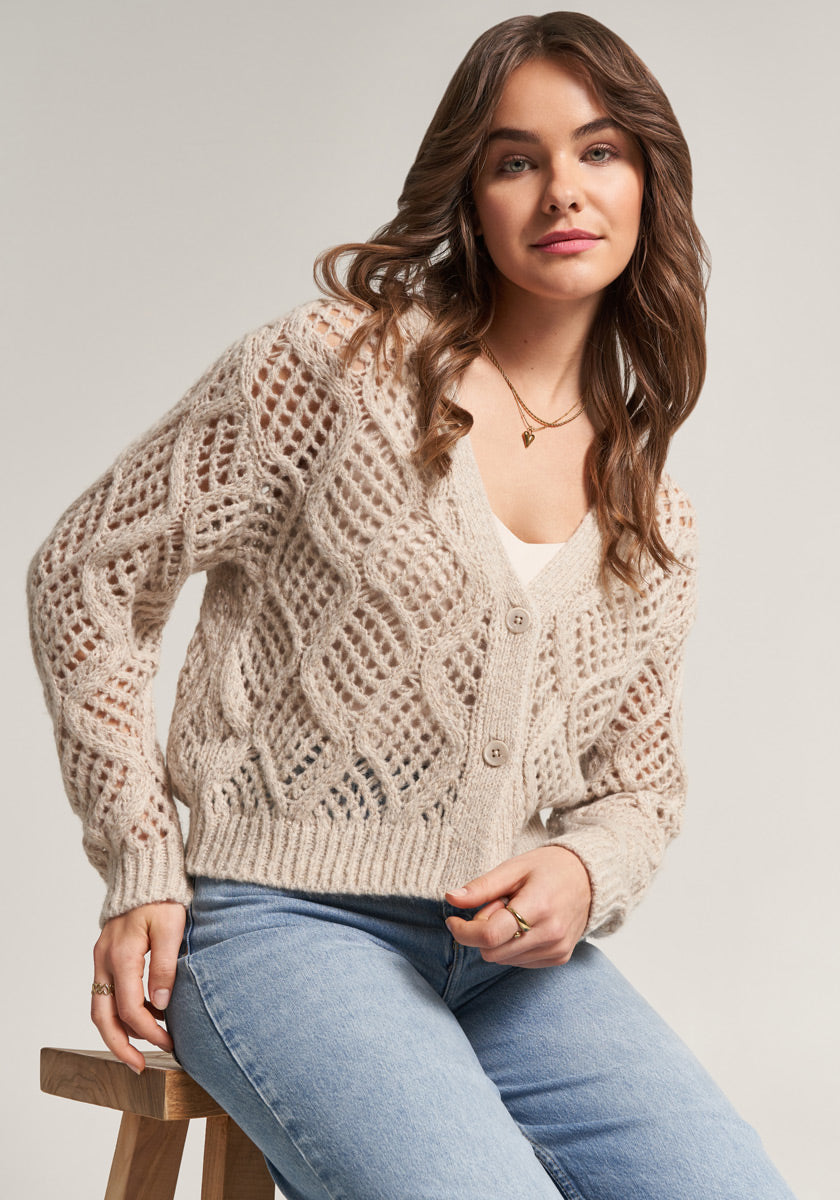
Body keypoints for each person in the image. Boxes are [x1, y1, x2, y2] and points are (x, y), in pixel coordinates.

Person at [27, 11, 796, 1199]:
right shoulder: (333, 369)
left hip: (504, 965)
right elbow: (85, 571)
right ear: (470, 195)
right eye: (515, 160)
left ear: (649, 183)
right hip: (284, 931)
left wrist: (583, 875)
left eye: (600, 151)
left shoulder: (654, 508)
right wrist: (138, 861)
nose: (562, 192)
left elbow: (639, 787)